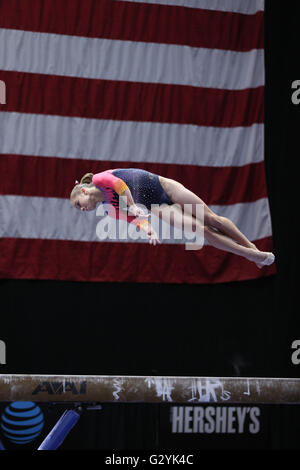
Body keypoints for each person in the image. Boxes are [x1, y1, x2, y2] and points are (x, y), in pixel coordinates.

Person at [70, 168, 275, 268]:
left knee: (213, 220)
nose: (83, 209)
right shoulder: (108, 209)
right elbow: (134, 220)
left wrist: (132, 205)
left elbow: (119, 185)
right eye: (79, 210)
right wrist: (148, 229)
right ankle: (248, 254)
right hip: (157, 206)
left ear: (84, 191)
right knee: (201, 229)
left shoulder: (98, 179)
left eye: (78, 204)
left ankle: (252, 248)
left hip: (163, 185)